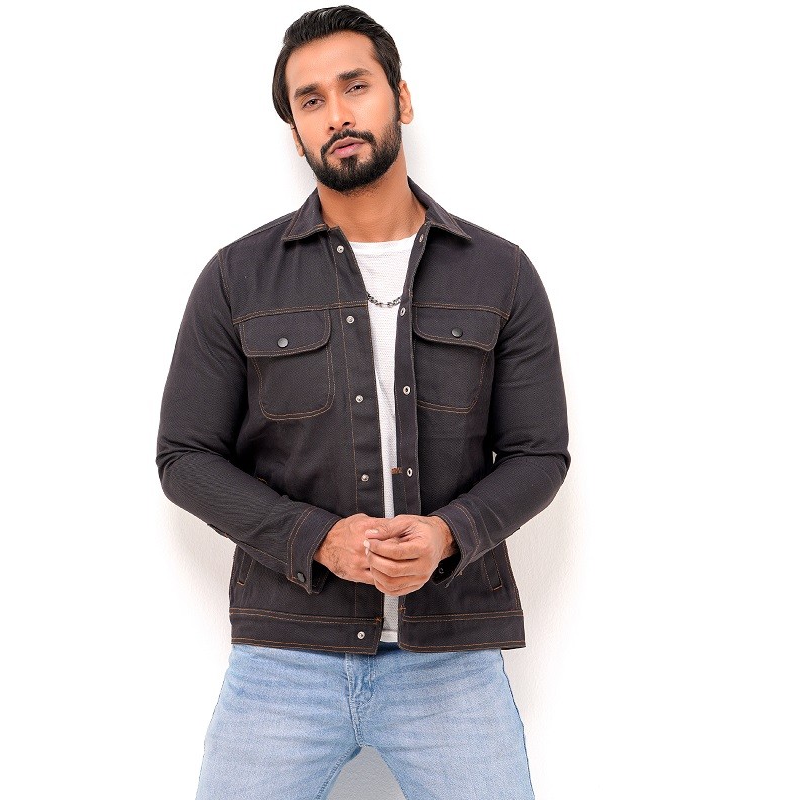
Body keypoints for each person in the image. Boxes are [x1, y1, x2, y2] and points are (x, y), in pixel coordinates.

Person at [156, 6, 570, 798]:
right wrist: (315, 538)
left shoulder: (501, 273)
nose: (337, 115)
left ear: (401, 99)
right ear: (295, 133)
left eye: (356, 87)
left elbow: (539, 454)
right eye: (310, 100)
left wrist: (449, 534)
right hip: (284, 659)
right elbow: (185, 457)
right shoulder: (237, 278)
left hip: (451, 660)